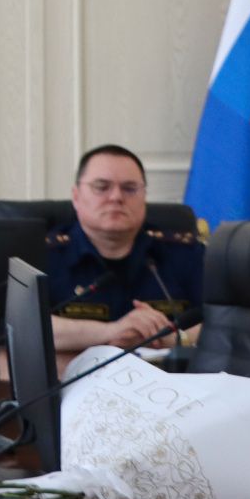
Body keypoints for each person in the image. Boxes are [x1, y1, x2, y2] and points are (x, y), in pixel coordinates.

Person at [48, 144, 204, 352]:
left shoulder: (185, 254)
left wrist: (174, 338)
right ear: (76, 196)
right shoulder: (44, 255)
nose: (116, 197)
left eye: (129, 189)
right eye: (102, 187)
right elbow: (21, 328)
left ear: (144, 196)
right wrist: (110, 332)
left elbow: (227, 322)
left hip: (166, 371)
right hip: (73, 371)